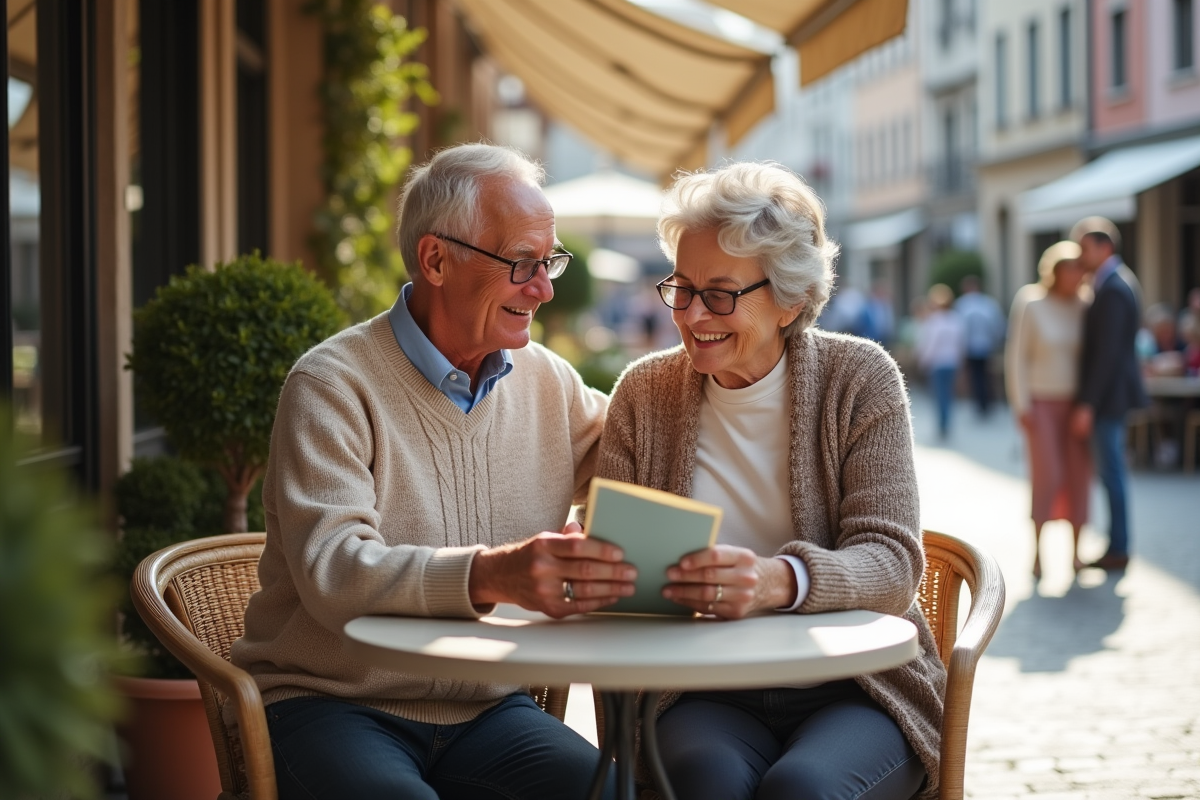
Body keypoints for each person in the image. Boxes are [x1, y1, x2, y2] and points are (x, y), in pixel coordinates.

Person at [230, 144, 629, 800]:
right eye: (522, 263)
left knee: (610, 791)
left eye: (550, 261)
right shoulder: (332, 385)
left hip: (488, 711)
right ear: (437, 259)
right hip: (329, 704)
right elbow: (336, 571)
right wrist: (492, 574)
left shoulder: (548, 381)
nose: (545, 288)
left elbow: (645, 457)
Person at [597, 162, 946, 800]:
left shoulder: (859, 379)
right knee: (709, 783)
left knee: (802, 791)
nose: (693, 314)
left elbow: (894, 563)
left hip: (854, 687)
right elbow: (624, 575)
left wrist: (776, 581)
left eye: (721, 294)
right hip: (699, 690)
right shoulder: (644, 394)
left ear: (789, 299)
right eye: (681, 287)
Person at [1005, 241, 1092, 580]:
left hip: (1076, 407)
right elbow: (1017, 356)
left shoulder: (1085, 305)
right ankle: (1038, 553)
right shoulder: (1031, 301)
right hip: (1040, 404)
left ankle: (1076, 554)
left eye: (1080, 268)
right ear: (1055, 270)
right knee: (1048, 477)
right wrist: (1021, 404)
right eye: (1070, 267)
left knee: (1078, 478)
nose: (1077, 274)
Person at [1069, 216, 1147, 572]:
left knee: (1111, 472)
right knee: (1111, 472)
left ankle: (1118, 547)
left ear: (1105, 248)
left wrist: (1089, 403)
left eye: (1085, 248)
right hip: (1112, 395)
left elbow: (1108, 353)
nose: (1081, 256)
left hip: (1108, 398)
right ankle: (1117, 544)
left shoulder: (1113, 287)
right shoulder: (1113, 282)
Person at [916, 283, 967, 440]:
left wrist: (923, 360)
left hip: (938, 363)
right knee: (948, 394)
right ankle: (946, 423)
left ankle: (942, 424)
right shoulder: (955, 319)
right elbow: (961, 343)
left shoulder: (933, 321)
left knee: (940, 395)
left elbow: (929, 344)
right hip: (951, 362)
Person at [954, 274, 1006, 416]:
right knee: (984, 375)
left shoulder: (962, 305)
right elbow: (997, 326)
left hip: (972, 347)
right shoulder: (988, 304)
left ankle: (980, 403)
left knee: (976, 376)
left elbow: (959, 329)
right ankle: (986, 403)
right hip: (985, 346)